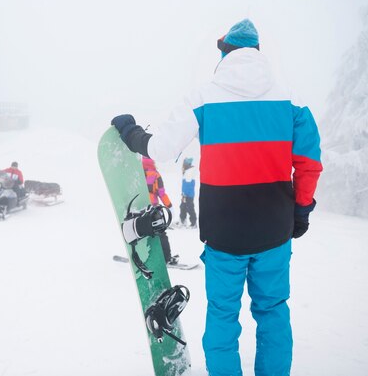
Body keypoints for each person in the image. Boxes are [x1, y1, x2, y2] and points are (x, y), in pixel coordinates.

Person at [111, 19, 322, 376]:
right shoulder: (291, 100)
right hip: (274, 231)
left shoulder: (204, 97)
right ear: (256, 51)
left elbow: (161, 148)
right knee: (273, 311)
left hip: (224, 234)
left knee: (223, 315)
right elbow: (310, 163)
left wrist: (130, 132)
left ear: (224, 52)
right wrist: (301, 211)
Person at [141, 156, 178, 265]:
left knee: (142, 233)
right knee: (161, 233)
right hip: (153, 210)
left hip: (141, 208)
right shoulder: (155, 175)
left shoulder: (138, 173)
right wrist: (169, 206)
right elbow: (161, 193)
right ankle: (167, 257)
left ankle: (142, 256)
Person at [178, 157, 197, 229]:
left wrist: (185, 194)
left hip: (188, 195)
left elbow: (188, 185)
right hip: (185, 194)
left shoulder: (189, 172)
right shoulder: (187, 171)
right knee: (183, 207)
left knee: (190, 208)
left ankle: (193, 223)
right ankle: (183, 221)